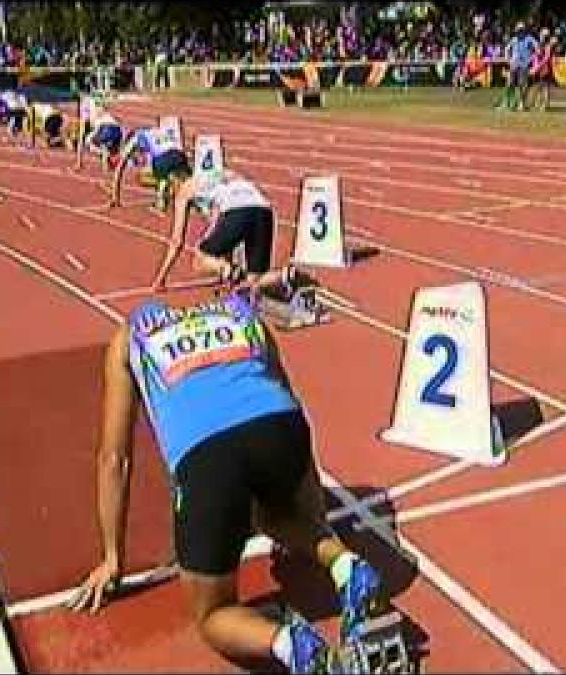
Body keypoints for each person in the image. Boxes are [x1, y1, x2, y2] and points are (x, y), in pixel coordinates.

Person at [65, 291, 388, 674]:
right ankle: (347, 566)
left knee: (213, 615)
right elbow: (290, 401)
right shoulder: (241, 314)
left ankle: (291, 645)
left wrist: (112, 558)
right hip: (282, 430)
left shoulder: (130, 337)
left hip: (210, 456)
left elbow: (114, 458)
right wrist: (314, 514)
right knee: (271, 515)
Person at [150, 170, 290, 297]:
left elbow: (177, 241)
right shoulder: (216, 174)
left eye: (166, 188)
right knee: (255, 281)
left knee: (199, 261)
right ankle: (287, 275)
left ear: (173, 179)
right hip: (264, 211)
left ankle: (231, 271)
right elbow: (221, 225)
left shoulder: (185, 190)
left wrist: (160, 279)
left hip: (238, 212)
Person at [108, 123, 191, 212]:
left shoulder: (136, 138)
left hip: (164, 157)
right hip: (180, 155)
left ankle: (161, 203)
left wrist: (115, 196)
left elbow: (120, 168)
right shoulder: (154, 132)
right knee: (180, 178)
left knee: (146, 177)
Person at [500, 22, 539, 111]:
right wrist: (508, 60)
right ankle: (508, 103)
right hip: (514, 64)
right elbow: (507, 49)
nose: (520, 31)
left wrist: (532, 58)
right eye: (519, 30)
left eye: (521, 30)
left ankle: (521, 103)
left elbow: (537, 49)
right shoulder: (514, 39)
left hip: (524, 65)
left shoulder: (529, 39)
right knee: (510, 84)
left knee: (522, 85)